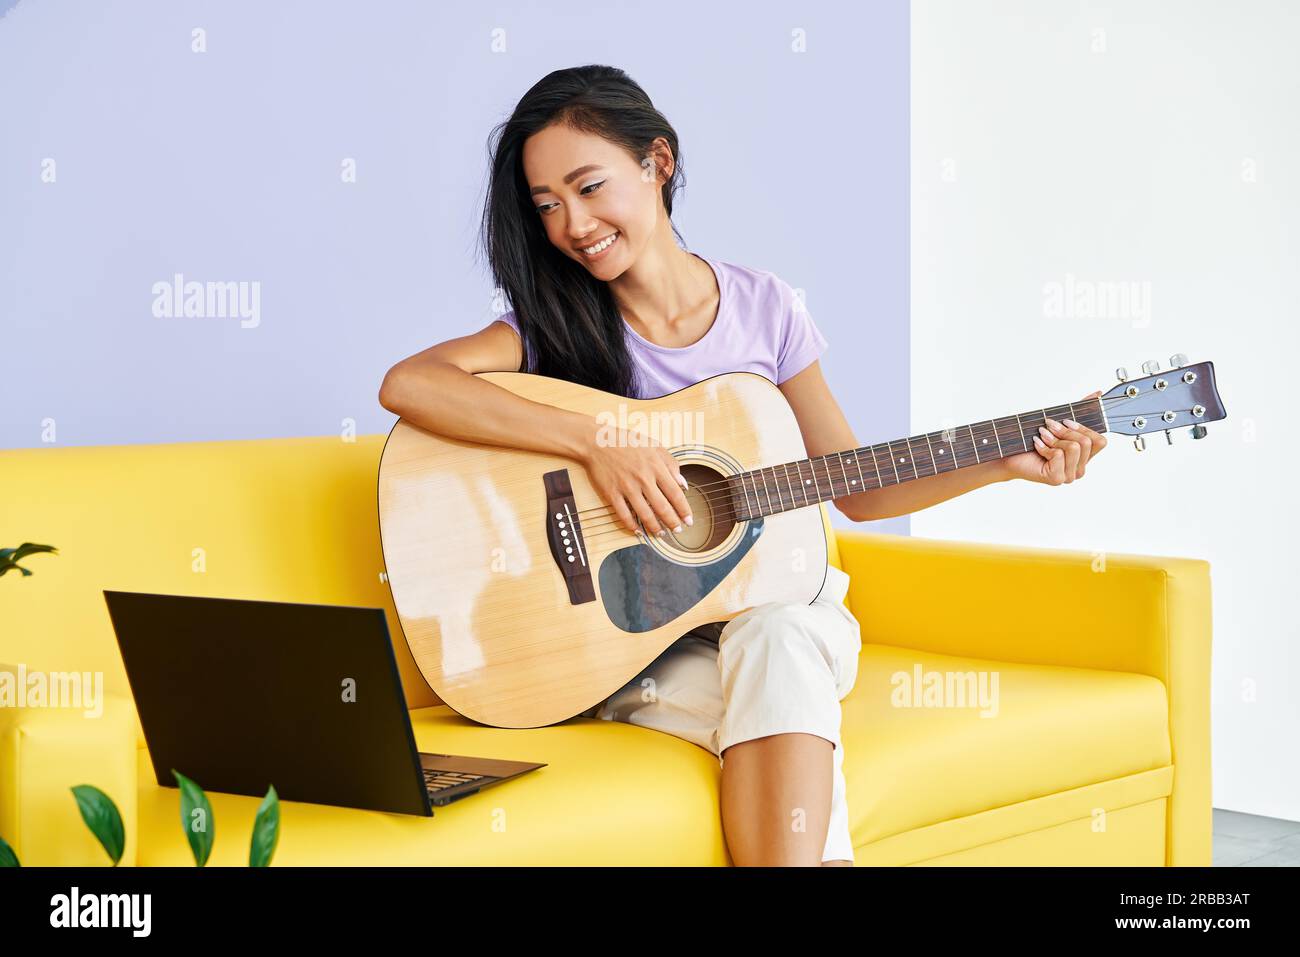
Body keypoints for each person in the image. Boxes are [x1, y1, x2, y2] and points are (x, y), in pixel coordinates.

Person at [378, 64, 1107, 866]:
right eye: (547, 205)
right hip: (637, 652)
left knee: (779, 631)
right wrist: (594, 441)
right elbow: (410, 384)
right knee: (788, 711)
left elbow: (856, 491)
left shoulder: (767, 310)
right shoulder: (558, 326)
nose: (571, 224)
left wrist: (1002, 463)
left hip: (780, 618)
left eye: (589, 187)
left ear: (657, 161)